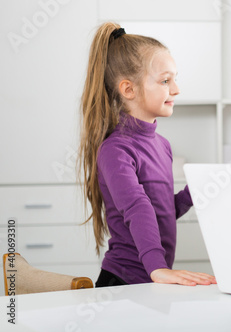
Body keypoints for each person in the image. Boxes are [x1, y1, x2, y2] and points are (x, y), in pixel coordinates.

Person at [78, 22, 216, 287]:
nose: (176, 89)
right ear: (128, 89)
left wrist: (195, 191)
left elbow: (159, 210)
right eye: (165, 81)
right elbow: (137, 208)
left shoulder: (162, 145)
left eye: (175, 79)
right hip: (123, 281)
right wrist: (158, 268)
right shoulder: (115, 150)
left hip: (152, 280)